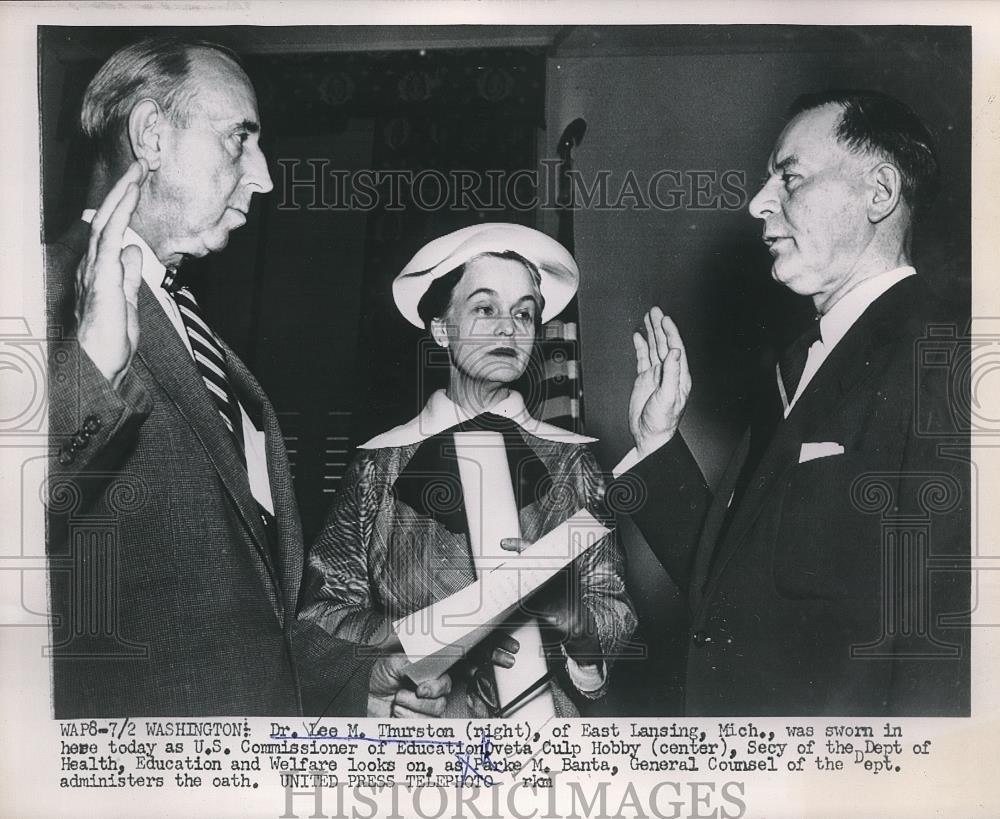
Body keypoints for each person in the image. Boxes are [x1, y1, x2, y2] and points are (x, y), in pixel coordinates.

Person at [45, 36, 449, 717]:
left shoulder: (201, 334)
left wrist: (358, 675)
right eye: (239, 139)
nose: (262, 175)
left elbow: (245, 609)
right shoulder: (32, 287)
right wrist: (93, 368)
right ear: (151, 134)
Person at [617, 89, 969, 716]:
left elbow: (947, 646)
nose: (758, 204)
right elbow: (732, 589)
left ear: (879, 193)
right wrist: (657, 443)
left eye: (791, 178)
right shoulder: (802, 362)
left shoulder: (946, 355)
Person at [299, 223, 637, 717]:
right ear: (441, 328)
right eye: (485, 309)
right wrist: (426, 645)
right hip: (419, 739)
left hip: (549, 748)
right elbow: (321, 615)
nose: (509, 328)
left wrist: (578, 624)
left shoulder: (574, 464)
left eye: (524, 313)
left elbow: (614, 606)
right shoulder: (380, 465)